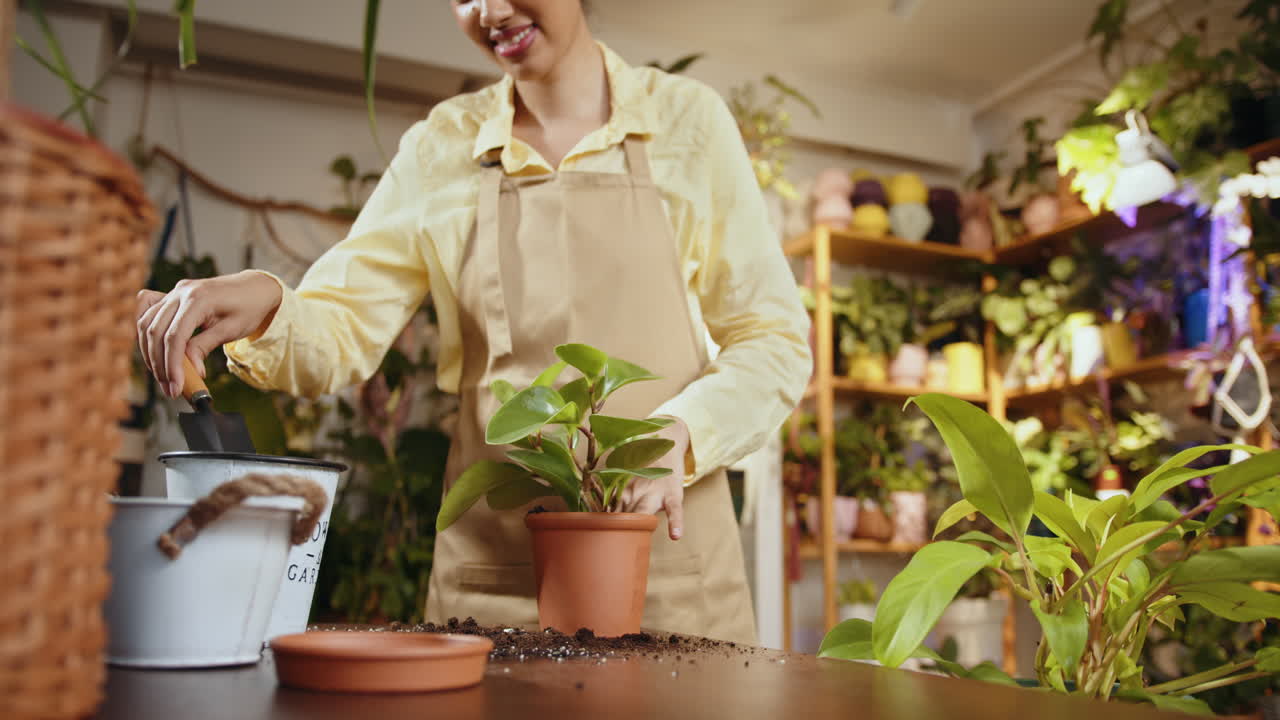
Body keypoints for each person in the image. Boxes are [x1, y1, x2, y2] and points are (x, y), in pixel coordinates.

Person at [135, 0, 810, 644]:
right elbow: (339, 330)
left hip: (671, 571)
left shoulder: (687, 123)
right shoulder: (442, 148)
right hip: (497, 579)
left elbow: (773, 341)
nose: (488, 13)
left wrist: (679, 435)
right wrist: (270, 301)